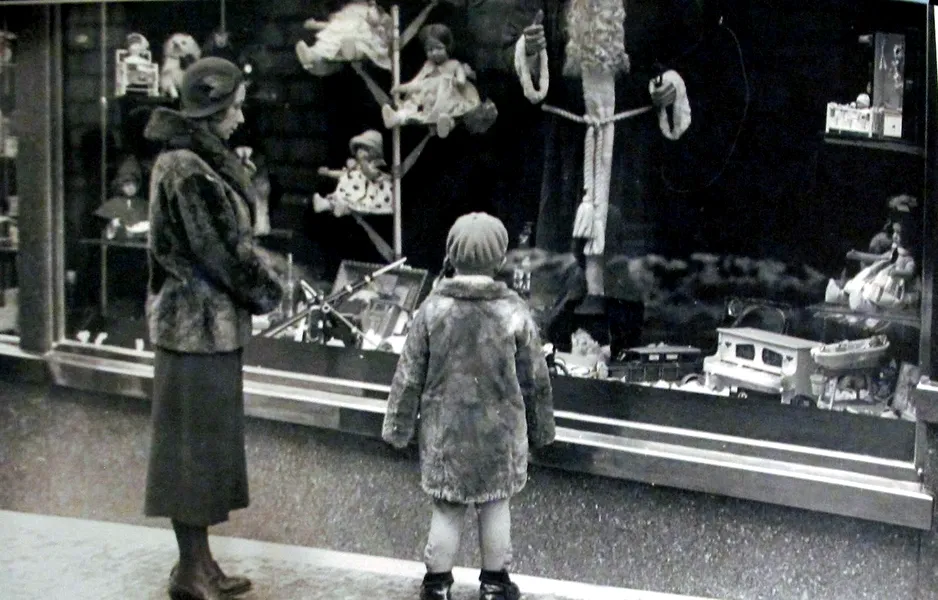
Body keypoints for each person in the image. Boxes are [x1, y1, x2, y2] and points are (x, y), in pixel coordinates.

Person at [143, 57, 285, 600]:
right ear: (213, 108)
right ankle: (190, 570)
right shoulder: (187, 168)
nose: (242, 117)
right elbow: (221, 251)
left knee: (202, 452)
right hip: (194, 330)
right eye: (236, 107)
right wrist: (269, 291)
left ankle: (199, 565)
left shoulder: (196, 161)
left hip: (206, 330)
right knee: (191, 454)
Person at [382, 212, 555, 600]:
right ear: (500, 259)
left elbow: (408, 375)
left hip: (446, 434)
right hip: (499, 435)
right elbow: (535, 379)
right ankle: (494, 584)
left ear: (451, 254)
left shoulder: (432, 310)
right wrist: (542, 429)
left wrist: (398, 428)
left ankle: (437, 585)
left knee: (446, 509)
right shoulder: (513, 311)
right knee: (495, 506)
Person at [381, 23, 484, 138]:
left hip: (448, 96)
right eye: (429, 50)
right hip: (430, 98)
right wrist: (401, 88)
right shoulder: (428, 65)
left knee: (449, 115)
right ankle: (396, 117)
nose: (434, 53)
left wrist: (456, 81)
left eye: (439, 48)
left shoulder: (454, 64)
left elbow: (461, 82)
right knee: (413, 106)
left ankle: (445, 125)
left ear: (447, 47)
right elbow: (416, 82)